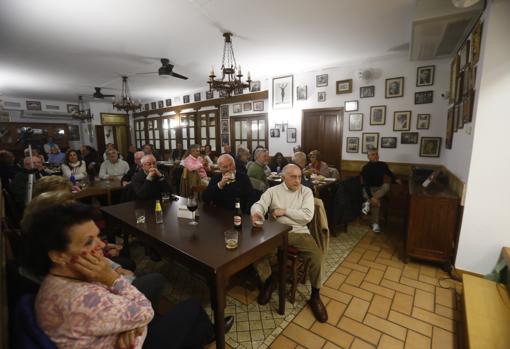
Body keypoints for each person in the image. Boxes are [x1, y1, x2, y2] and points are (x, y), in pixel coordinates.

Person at [21, 200, 232, 349]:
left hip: (113, 331)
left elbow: (119, 312)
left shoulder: (59, 278)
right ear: (58, 256)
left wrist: (129, 324)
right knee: (193, 306)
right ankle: (209, 334)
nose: (101, 245)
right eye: (88, 242)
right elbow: (145, 312)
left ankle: (197, 337)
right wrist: (112, 279)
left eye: (97, 237)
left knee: (162, 298)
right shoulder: (79, 301)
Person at [250, 164, 328, 322]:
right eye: (293, 177)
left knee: (317, 257)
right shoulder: (273, 191)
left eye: (300, 177)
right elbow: (259, 204)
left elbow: (306, 216)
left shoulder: (305, 191)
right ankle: (270, 280)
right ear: (283, 177)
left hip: (298, 232)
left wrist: (284, 211)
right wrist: (257, 212)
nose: (298, 180)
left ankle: (315, 295)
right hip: (275, 232)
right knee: (254, 252)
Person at [361, 148, 401, 233]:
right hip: (368, 189)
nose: (376, 156)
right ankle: (375, 224)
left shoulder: (383, 165)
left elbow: (389, 173)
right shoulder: (366, 168)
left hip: (379, 189)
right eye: (373, 154)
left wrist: (396, 179)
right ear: (368, 157)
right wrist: (371, 197)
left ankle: (368, 202)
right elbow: (366, 185)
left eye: (377, 154)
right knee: (376, 201)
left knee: (386, 185)